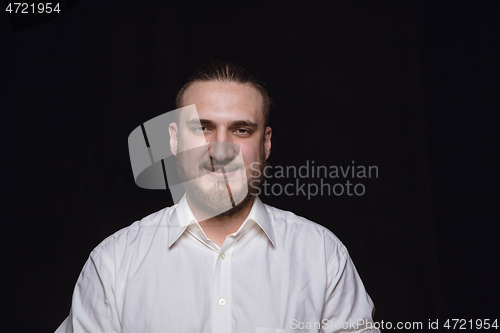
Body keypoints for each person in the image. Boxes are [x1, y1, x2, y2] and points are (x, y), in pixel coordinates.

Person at [55, 61, 379, 333]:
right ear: (174, 139)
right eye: (202, 128)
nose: (220, 149)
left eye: (241, 130)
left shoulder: (323, 256)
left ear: (266, 143)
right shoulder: (112, 265)